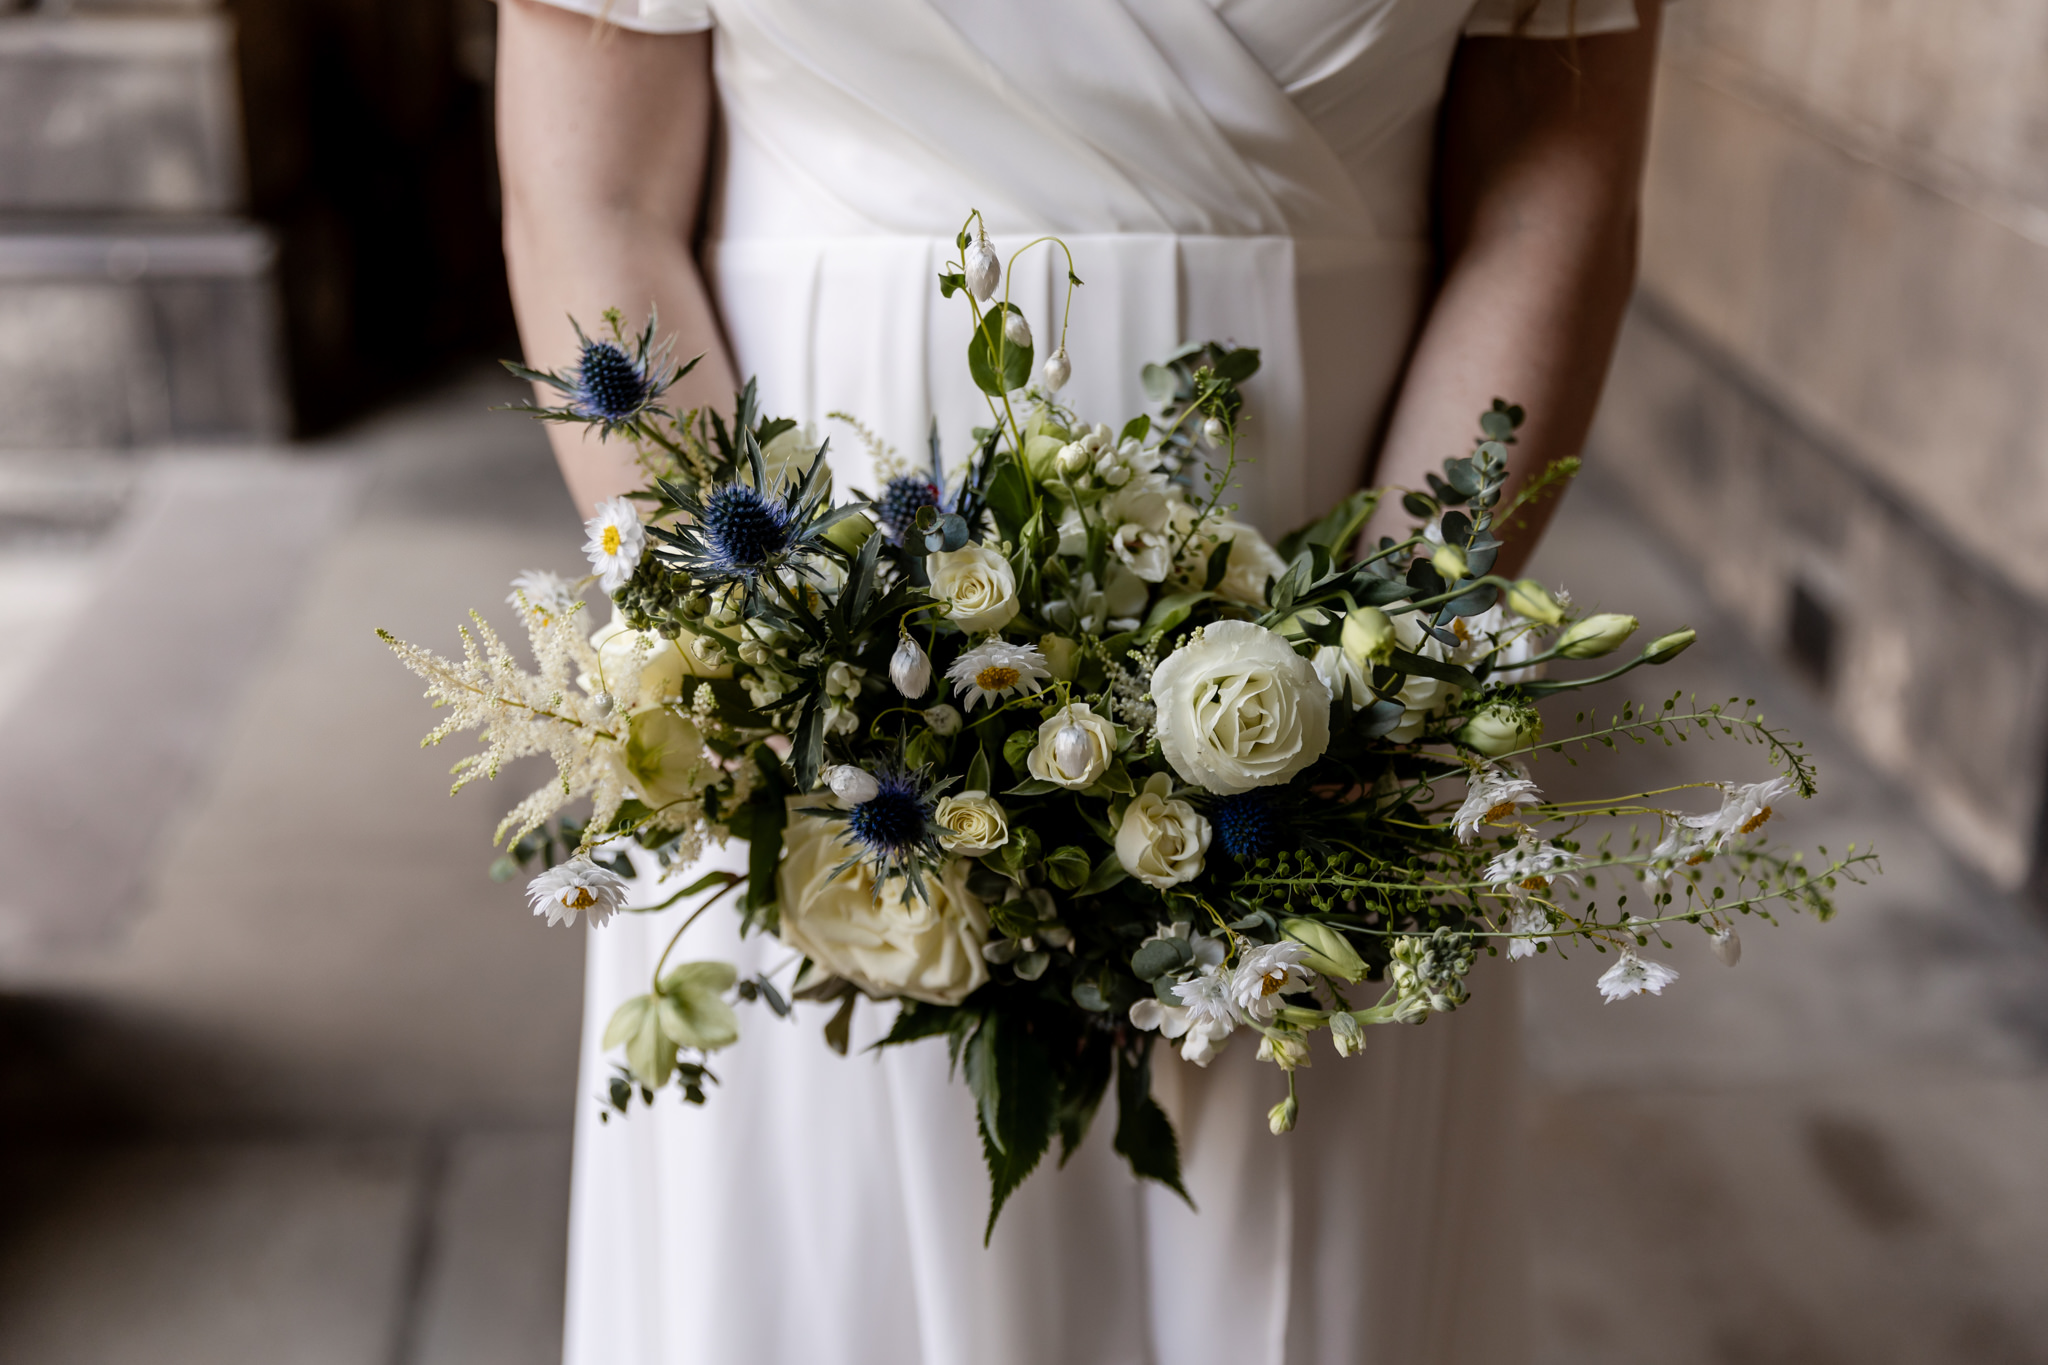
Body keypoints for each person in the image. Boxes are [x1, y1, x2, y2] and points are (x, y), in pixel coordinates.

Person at [494, 2, 1660, 1361]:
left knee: (1281, 1223)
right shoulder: (786, 674)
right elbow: (595, 196)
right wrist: (768, 658)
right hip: (810, 688)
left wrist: (1374, 675)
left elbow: (1548, 202)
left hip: (1334, 684)